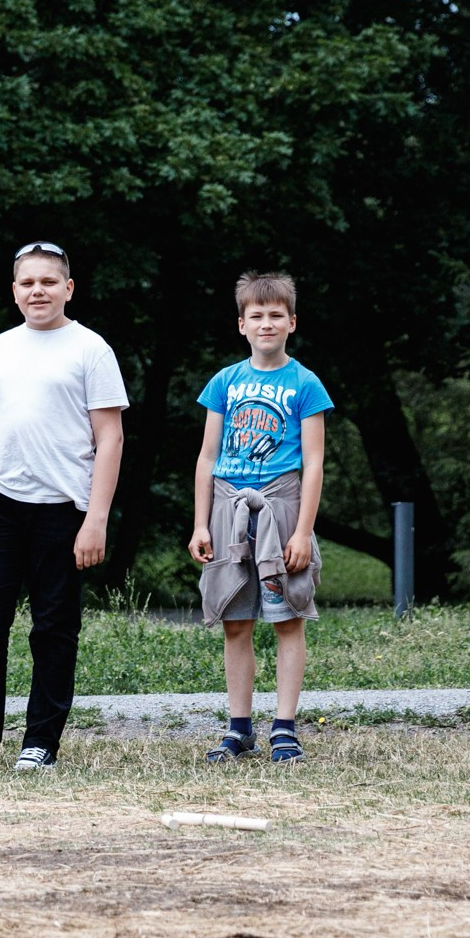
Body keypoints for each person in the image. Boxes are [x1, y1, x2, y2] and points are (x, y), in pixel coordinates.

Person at [0, 241, 127, 773]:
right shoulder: (0, 348)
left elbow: (110, 438)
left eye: (47, 281)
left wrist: (96, 518)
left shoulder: (90, 348)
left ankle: (40, 743)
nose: (37, 291)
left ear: (68, 288)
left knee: (53, 627)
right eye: (26, 283)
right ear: (14, 292)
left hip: (62, 509)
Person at [189, 271, 331, 764]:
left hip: (281, 506)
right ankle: (239, 728)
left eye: (276, 316)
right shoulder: (224, 383)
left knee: (288, 618)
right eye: (257, 316)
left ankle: (285, 728)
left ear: (291, 322)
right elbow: (207, 458)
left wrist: (303, 531)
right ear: (241, 325)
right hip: (229, 505)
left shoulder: (305, 383)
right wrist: (201, 523)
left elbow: (313, 462)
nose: (266, 324)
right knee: (236, 620)